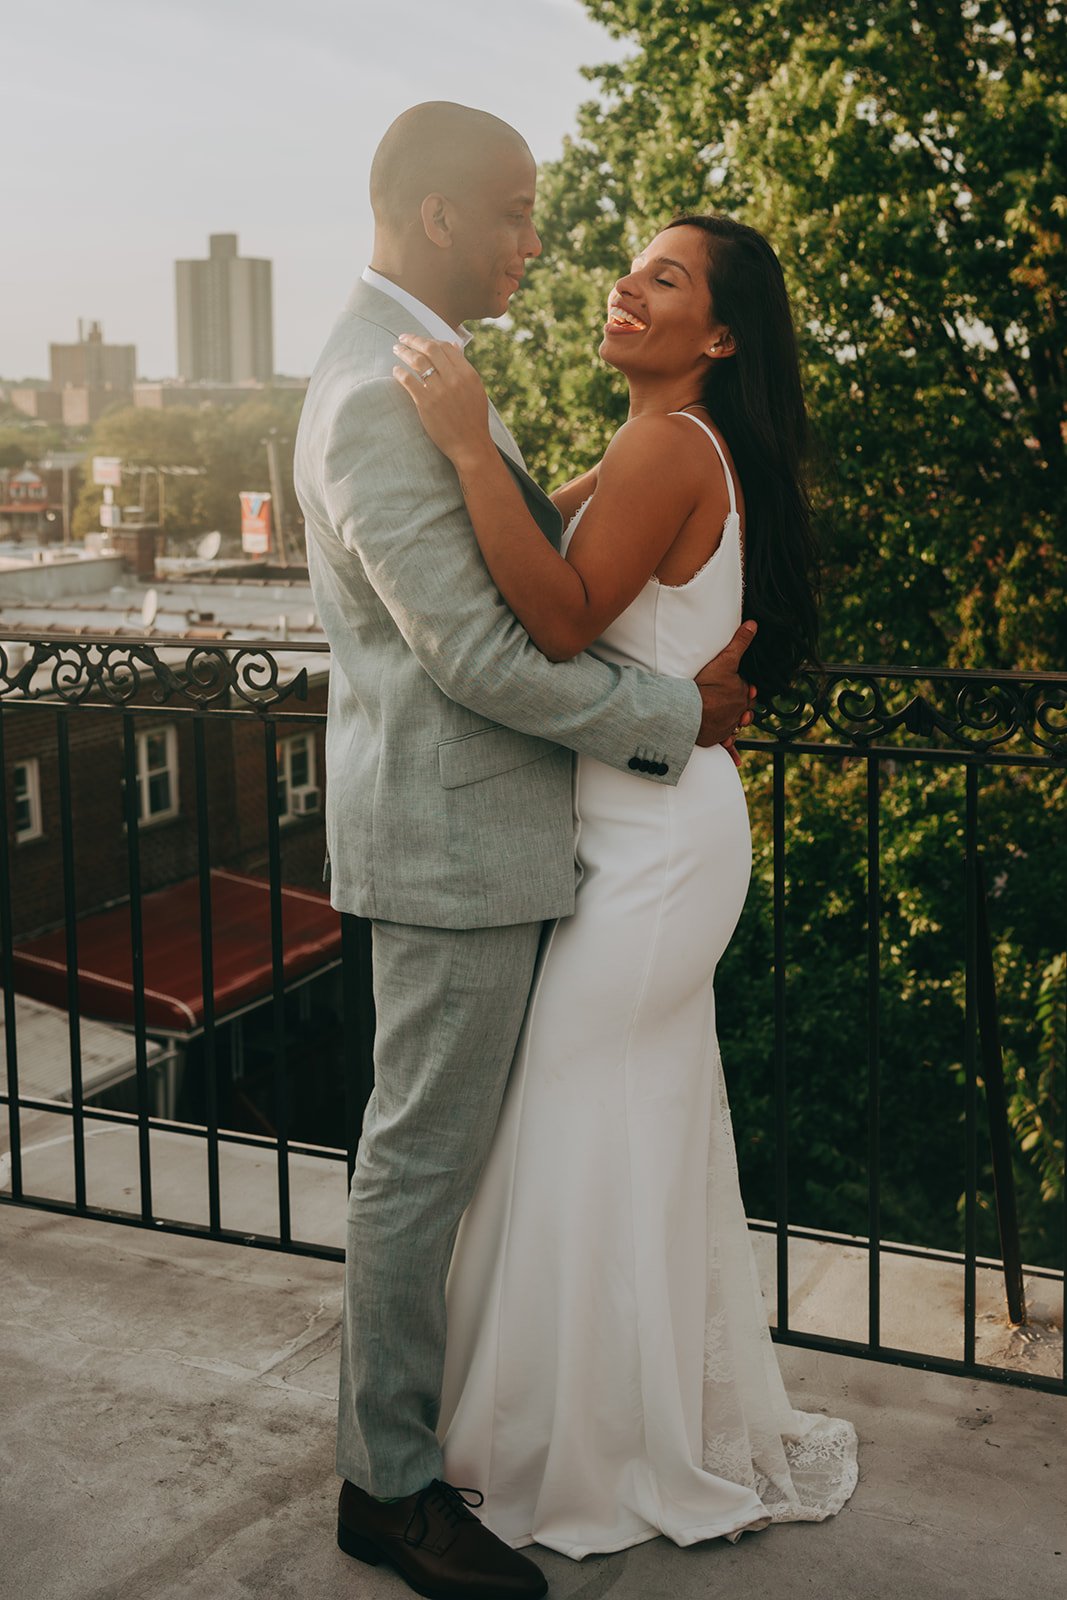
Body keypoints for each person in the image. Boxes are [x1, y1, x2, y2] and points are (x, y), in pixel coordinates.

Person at [294, 103, 756, 1600]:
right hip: (450, 841)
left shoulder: (418, 369)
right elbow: (481, 660)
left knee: (453, 1159)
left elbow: (534, 582)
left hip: (496, 838)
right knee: (419, 1167)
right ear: (438, 220)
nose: (536, 244)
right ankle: (391, 1486)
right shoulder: (384, 386)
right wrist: (669, 713)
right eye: (513, 213)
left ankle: (492, 1436)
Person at [394, 213, 859, 1556]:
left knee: (574, 1114)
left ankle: (582, 1450)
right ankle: (617, 1422)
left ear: (718, 335)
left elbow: (555, 614)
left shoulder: (670, 443)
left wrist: (472, 443)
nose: (625, 286)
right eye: (629, 268)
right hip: (646, 822)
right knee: (618, 1123)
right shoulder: (667, 441)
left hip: (654, 849)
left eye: (664, 279)